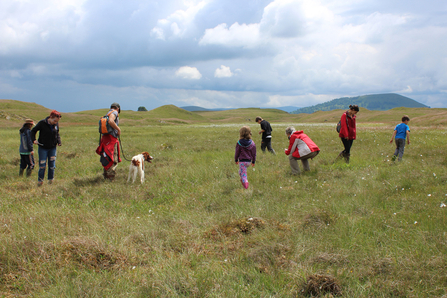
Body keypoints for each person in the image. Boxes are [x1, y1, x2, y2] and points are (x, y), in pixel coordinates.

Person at [31, 110, 62, 186]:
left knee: (52, 165)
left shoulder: (56, 124)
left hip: (52, 147)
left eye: (56, 121)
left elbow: (57, 133)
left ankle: (50, 181)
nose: (55, 123)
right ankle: (40, 181)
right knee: (42, 165)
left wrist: (59, 141)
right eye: (54, 121)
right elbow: (33, 131)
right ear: (50, 117)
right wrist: (33, 140)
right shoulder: (42, 123)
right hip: (43, 147)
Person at [96, 103, 121, 180]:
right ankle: (110, 178)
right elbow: (110, 121)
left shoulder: (107, 113)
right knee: (113, 158)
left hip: (104, 139)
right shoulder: (114, 112)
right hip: (111, 140)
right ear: (118, 108)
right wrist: (118, 129)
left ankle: (106, 176)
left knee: (106, 157)